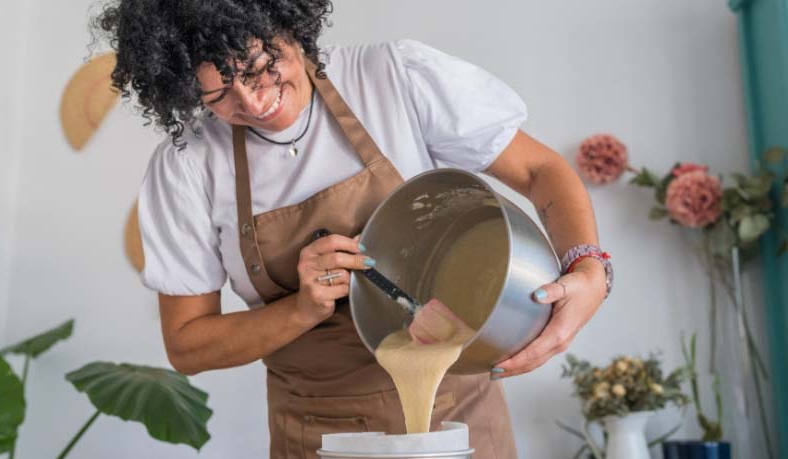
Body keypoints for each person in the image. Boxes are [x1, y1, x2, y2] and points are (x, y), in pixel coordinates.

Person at [93, 1, 613, 457]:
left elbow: (540, 172)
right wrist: (299, 309)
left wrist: (588, 266)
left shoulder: (392, 78)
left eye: (258, 68)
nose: (253, 104)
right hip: (317, 436)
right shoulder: (188, 165)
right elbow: (188, 345)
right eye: (218, 95)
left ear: (286, 22)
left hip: (459, 422)